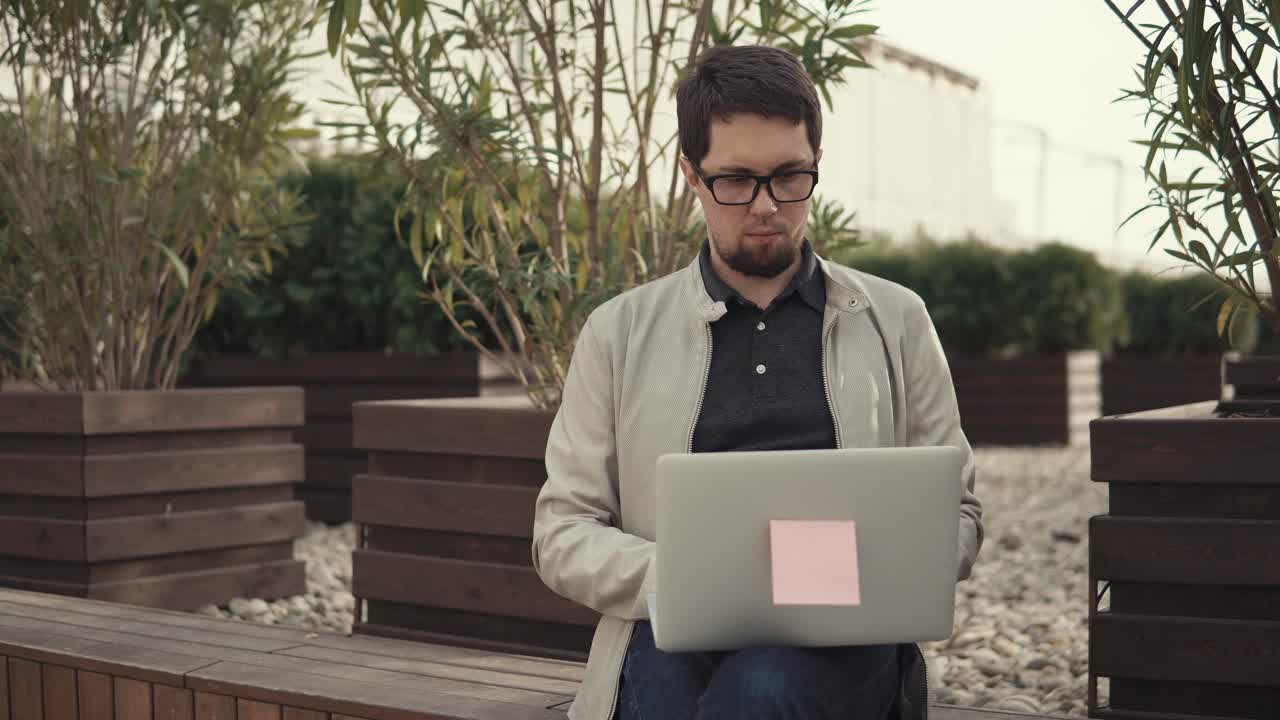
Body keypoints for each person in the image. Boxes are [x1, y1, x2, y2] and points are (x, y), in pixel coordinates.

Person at [532, 44, 983, 720]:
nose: (767, 206)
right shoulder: (617, 333)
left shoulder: (898, 321)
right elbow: (563, 531)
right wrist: (686, 577)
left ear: (816, 162)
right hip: (670, 622)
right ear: (691, 174)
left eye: (790, 177)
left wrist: (867, 569)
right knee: (682, 689)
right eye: (737, 180)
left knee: (763, 686)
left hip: (847, 634)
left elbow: (959, 517)